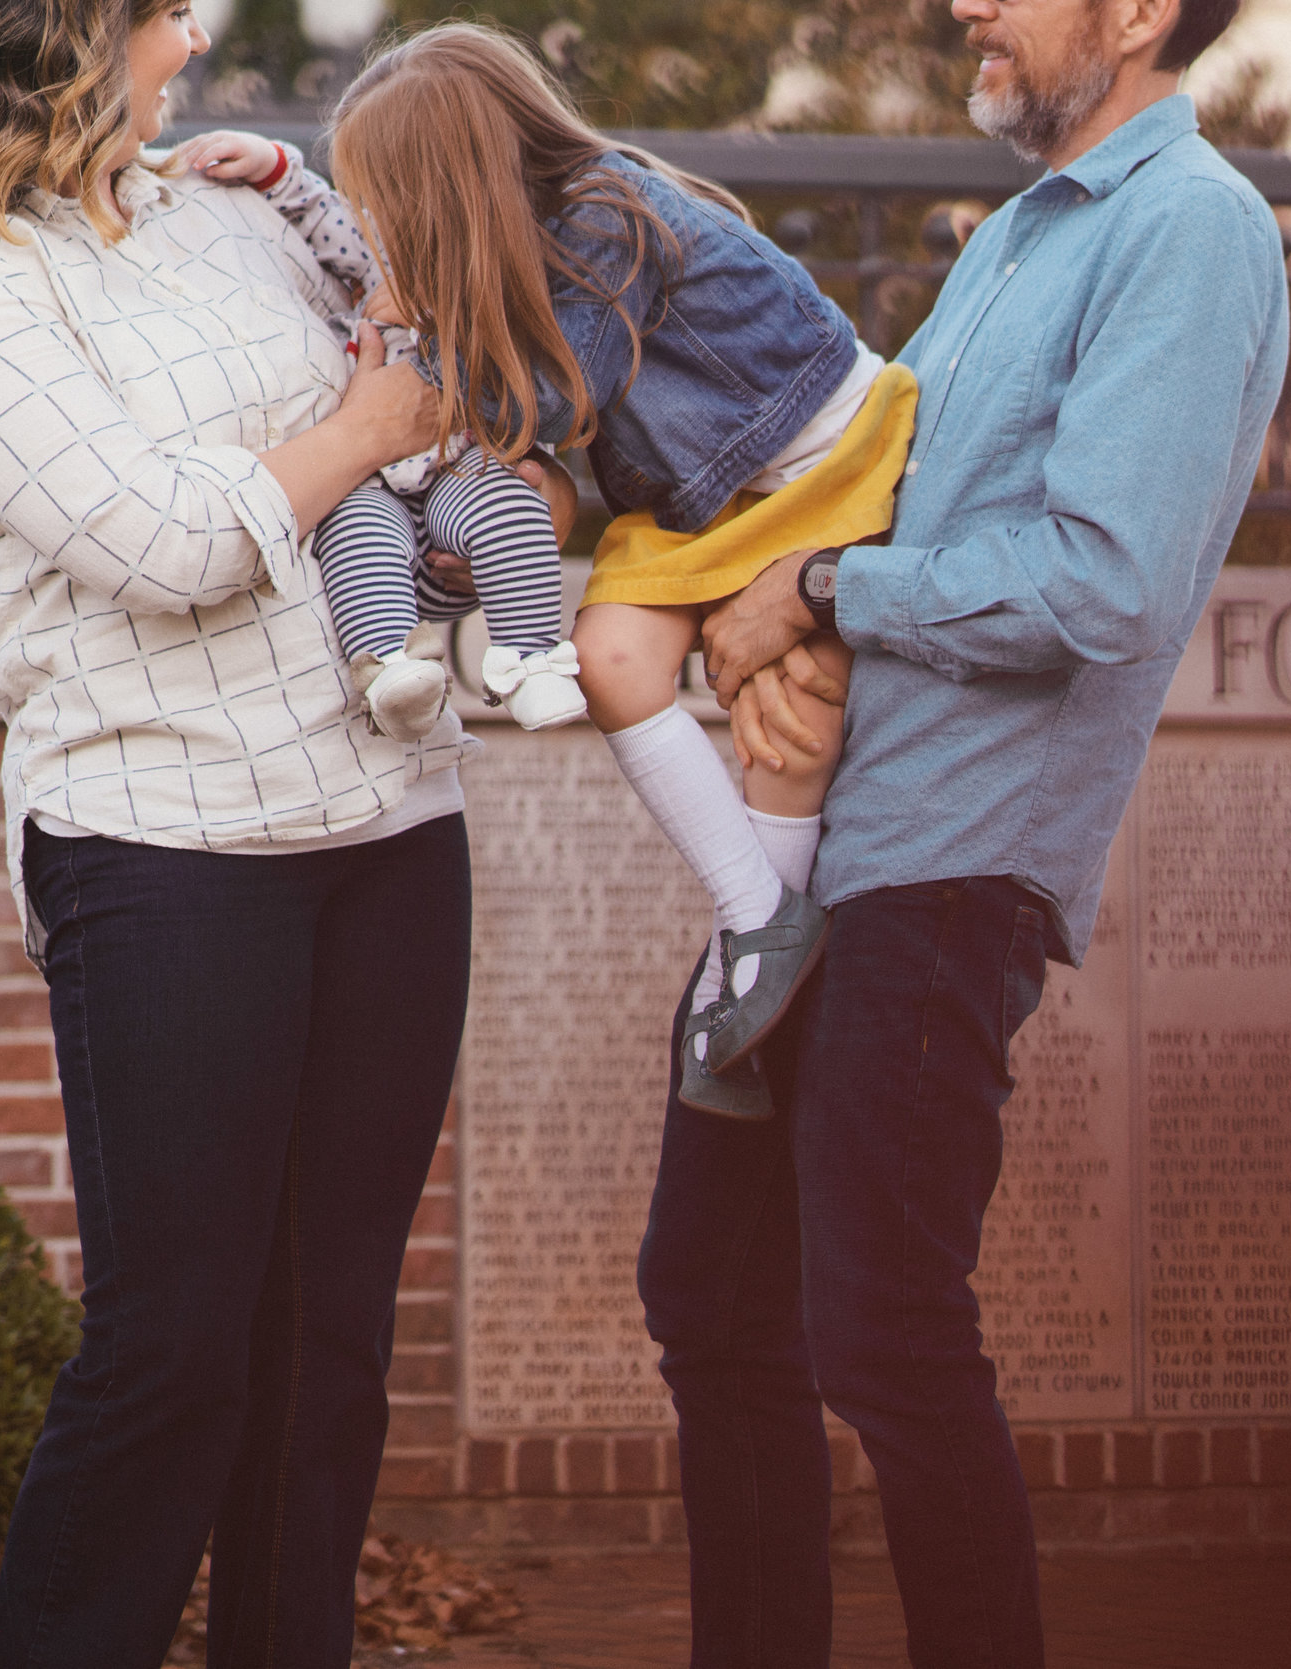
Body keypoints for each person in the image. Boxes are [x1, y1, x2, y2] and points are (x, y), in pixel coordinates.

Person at [0, 1, 569, 1663]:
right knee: (178, 1348)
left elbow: (417, 401)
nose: (190, 46)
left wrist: (445, 502)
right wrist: (358, 438)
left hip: (392, 822)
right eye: (161, 17)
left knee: (331, 1346)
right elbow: (168, 540)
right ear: (60, 38)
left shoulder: (231, 209)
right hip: (160, 839)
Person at [649, 0, 1291, 1663]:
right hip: (818, 853)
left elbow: (1103, 580)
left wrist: (823, 589)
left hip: (951, 869)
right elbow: (875, 491)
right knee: (712, 1295)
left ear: (1139, 15)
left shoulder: (1190, 229)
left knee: (881, 1330)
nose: (964, 8)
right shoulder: (1009, 235)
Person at [324, 23, 922, 1121]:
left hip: (819, 460)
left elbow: (548, 403)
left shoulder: (609, 218)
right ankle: (760, 922)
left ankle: (749, 982)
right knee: (606, 660)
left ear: (445, 188)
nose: (372, 231)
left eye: (383, 204)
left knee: (789, 716)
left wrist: (428, 334)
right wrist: (270, 169)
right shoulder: (527, 242)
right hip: (704, 499)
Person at [167, 127, 589, 739]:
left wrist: (444, 311)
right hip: (369, 478)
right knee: (356, 533)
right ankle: (390, 670)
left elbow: (547, 360)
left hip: (458, 457)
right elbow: (320, 213)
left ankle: (528, 657)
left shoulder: (518, 263)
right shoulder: (382, 254)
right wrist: (272, 164)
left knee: (508, 502)